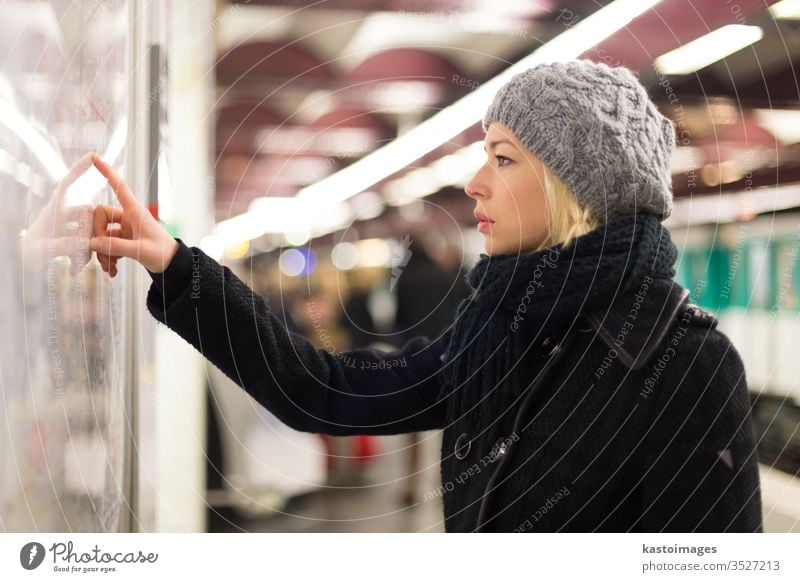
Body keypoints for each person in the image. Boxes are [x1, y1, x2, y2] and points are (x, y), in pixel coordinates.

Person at [89, 60, 762, 532]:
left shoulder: (682, 364)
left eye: (502, 158)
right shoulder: (497, 331)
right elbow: (323, 390)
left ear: (574, 188)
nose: (474, 183)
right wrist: (176, 267)